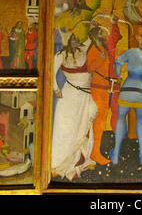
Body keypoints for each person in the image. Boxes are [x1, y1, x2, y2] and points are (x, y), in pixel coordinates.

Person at [109, 33, 142, 166]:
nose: (138, 41)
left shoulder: (131, 51)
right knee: (141, 119)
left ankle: (115, 154)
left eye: (140, 40)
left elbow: (117, 62)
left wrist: (118, 77)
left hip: (127, 88)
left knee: (121, 118)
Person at [51, 32, 97, 181]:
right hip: (69, 97)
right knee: (67, 130)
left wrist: (95, 28)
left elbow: (91, 37)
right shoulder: (61, 55)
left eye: (77, 38)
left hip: (85, 97)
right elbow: (51, 72)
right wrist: (56, 89)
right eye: (72, 39)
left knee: (84, 127)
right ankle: (60, 164)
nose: (75, 41)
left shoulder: (82, 49)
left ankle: (81, 163)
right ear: (66, 40)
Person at [86, 15, 122, 165]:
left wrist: (112, 24)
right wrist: (100, 58)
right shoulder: (94, 49)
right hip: (98, 88)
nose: (104, 34)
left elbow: (114, 37)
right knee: (99, 121)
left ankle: (103, 152)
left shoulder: (104, 46)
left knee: (107, 118)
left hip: (107, 87)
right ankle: (94, 153)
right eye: (101, 32)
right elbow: (89, 68)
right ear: (96, 36)